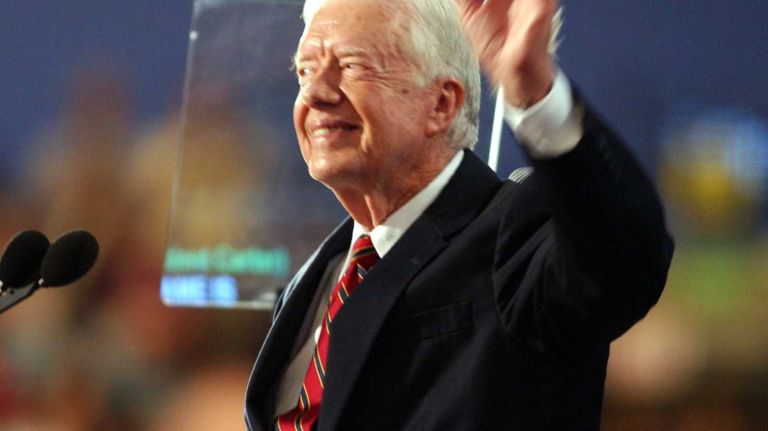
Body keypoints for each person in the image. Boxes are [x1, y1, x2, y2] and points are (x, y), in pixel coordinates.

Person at [245, 0, 674, 429]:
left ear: (442, 104)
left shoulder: (514, 235)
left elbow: (624, 260)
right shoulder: (316, 279)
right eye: (305, 70)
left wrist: (537, 96)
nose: (316, 93)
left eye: (353, 66)